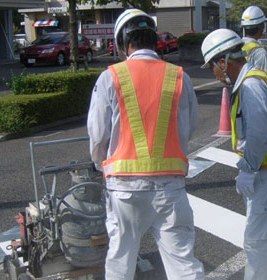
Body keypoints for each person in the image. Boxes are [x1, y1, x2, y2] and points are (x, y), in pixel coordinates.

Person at [87, 8, 204, 279]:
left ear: (123, 43)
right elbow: (190, 124)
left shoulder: (110, 77)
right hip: (170, 187)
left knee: (120, 262)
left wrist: (99, 163)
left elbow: (98, 134)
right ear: (154, 41)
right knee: (183, 265)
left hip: (124, 188)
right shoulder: (179, 76)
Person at [200, 29, 267, 280]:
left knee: (258, 241)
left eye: (212, 66)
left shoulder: (251, 84)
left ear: (223, 62)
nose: (213, 73)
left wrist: (248, 168)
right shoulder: (257, 78)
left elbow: (258, 131)